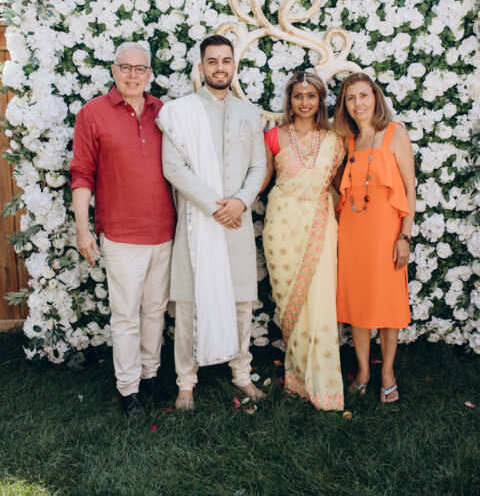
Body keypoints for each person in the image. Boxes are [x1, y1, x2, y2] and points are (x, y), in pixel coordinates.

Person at [157, 34, 267, 411]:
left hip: (237, 222)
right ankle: (186, 383)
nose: (220, 67)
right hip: (197, 222)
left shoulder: (249, 113)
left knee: (240, 303)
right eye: (212, 61)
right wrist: (214, 207)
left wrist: (240, 202)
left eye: (226, 60)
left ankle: (241, 374)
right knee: (190, 304)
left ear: (234, 65)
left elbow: (259, 166)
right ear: (201, 66)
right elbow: (173, 168)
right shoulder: (181, 112)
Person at [70, 41, 175, 417]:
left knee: (155, 311)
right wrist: (83, 230)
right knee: (127, 315)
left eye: (140, 68)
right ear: (114, 71)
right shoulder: (93, 113)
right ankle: (129, 389)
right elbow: (82, 174)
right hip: (120, 234)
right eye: (125, 67)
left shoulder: (163, 112)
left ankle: (150, 376)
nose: (133, 75)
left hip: (164, 231)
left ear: (150, 74)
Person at [261, 71, 345, 411]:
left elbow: (340, 186)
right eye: (298, 96)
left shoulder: (335, 140)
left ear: (320, 100)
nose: (305, 102)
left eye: (311, 96)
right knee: (288, 302)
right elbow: (263, 180)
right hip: (281, 225)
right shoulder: (273, 136)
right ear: (290, 100)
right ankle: (296, 375)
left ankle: (323, 383)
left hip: (320, 223)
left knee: (320, 298)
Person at [333, 72, 416, 403]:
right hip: (352, 233)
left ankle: (388, 372)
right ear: (345, 105)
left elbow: (409, 189)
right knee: (358, 302)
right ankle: (364, 370)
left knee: (387, 302)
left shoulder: (395, 133)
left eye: (363, 95)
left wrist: (405, 236)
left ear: (375, 97)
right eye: (350, 98)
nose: (358, 103)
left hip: (386, 232)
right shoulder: (349, 141)